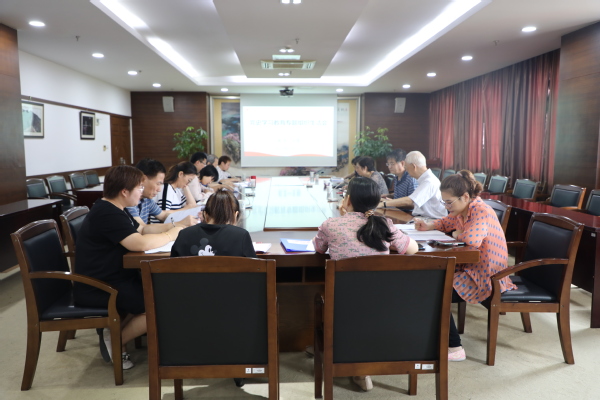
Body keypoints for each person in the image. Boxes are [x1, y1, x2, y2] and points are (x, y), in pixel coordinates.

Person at [312, 177, 419, 392]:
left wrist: (343, 218)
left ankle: (335, 353)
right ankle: (363, 370)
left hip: (343, 304)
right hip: (382, 302)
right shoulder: (383, 224)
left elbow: (319, 248)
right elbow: (412, 249)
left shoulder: (331, 225)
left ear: (348, 200)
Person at [74, 165, 185, 370]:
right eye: (139, 187)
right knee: (158, 304)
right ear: (124, 191)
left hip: (114, 277)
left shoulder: (115, 208)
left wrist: (174, 226)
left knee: (159, 292)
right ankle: (116, 342)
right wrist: (171, 235)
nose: (142, 191)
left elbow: (142, 229)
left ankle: (115, 334)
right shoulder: (108, 214)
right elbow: (139, 244)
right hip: (99, 286)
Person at [414, 170, 517, 361]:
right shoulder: (463, 209)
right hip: (470, 268)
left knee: (436, 292)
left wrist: (456, 233)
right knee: (427, 283)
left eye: (449, 202)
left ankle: (455, 348)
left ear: (465, 197)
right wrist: (429, 226)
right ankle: (435, 336)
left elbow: (471, 239)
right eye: (444, 202)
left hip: (487, 276)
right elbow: (447, 222)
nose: (446, 207)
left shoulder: (480, 210)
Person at [126, 158, 197, 228]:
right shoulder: (129, 200)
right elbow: (142, 228)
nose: (159, 189)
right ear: (143, 179)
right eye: (158, 184)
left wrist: (188, 218)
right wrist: (178, 223)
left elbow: (164, 216)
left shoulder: (147, 201)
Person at [377, 150, 447, 219]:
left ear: (414, 166)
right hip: (422, 218)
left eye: (406, 167)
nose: (406, 170)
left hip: (432, 220)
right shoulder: (423, 179)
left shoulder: (429, 181)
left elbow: (410, 201)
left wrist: (383, 204)